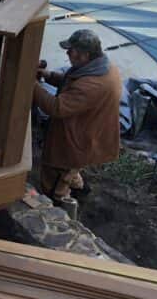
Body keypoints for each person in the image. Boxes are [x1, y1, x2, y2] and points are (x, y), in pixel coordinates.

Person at [32, 29, 122, 201]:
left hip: (77, 141)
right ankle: (78, 188)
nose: (67, 53)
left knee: (55, 177)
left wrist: (32, 84)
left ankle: (60, 206)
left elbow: (56, 107)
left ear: (85, 55)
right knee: (71, 170)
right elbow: (73, 84)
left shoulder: (92, 85)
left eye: (71, 50)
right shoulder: (102, 67)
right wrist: (48, 76)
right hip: (88, 134)